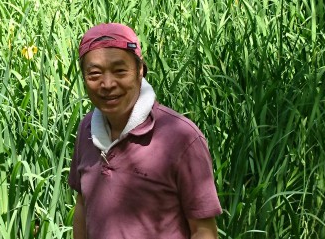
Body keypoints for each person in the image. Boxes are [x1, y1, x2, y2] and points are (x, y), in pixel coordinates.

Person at [68, 23, 222, 239]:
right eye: (94, 74)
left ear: (141, 71)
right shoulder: (86, 129)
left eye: (120, 71)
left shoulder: (182, 138)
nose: (107, 83)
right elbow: (83, 206)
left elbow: (203, 231)